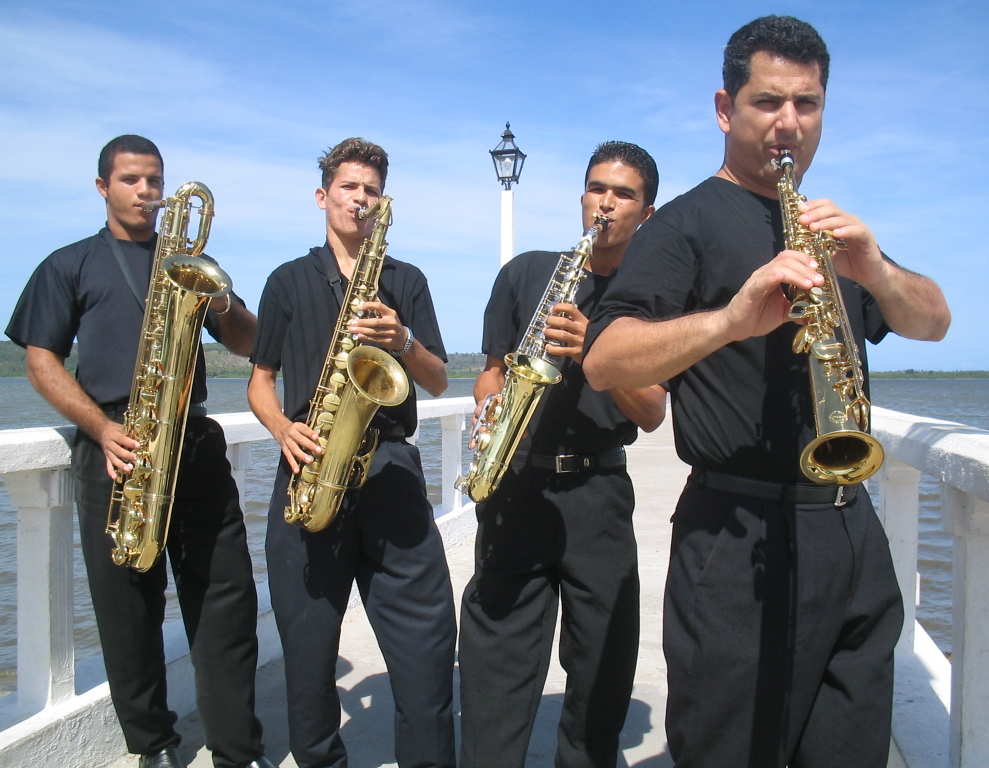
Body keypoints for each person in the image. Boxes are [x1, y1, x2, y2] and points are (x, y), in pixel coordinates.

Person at [583, 16, 951, 768]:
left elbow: (934, 321)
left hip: (850, 534)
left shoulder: (828, 229)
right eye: (768, 102)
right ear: (726, 109)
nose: (789, 123)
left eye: (807, 104)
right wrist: (728, 321)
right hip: (736, 537)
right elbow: (604, 359)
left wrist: (875, 269)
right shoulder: (681, 225)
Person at [5, 135, 274, 768]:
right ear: (103, 187)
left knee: (226, 600)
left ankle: (238, 751)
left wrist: (223, 298)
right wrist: (100, 429)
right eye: (130, 180)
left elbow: (248, 342)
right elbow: (40, 362)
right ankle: (151, 746)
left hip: (194, 441)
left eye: (154, 180)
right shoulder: (67, 264)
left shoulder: (187, 262)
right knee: (127, 610)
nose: (146, 192)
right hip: (117, 445)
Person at [247, 137, 456, 768]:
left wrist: (404, 338)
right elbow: (260, 380)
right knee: (308, 664)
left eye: (370, 190)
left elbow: (441, 379)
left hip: (389, 467)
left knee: (425, 650)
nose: (359, 200)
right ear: (324, 196)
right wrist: (283, 428)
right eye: (348, 188)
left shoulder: (406, 281)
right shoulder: (286, 281)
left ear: (382, 202)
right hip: (310, 466)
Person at [458, 141, 668, 768]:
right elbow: (490, 372)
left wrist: (594, 348)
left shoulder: (653, 298)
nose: (606, 202)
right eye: (597, 188)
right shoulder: (525, 273)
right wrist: (489, 411)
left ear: (647, 212)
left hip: (597, 493)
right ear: (582, 195)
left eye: (623, 193)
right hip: (517, 484)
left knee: (602, 657)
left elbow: (653, 412)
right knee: (496, 656)